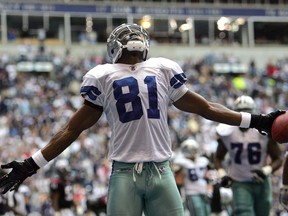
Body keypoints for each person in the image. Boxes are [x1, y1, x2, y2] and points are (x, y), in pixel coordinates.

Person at [0, 23, 284, 216]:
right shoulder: (127, 73)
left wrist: (257, 120)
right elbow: (72, 128)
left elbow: (206, 107)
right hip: (141, 172)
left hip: (145, 171)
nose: (130, 39)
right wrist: (29, 165)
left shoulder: (133, 72)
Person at [214, 95, 283, 216]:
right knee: (244, 212)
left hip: (261, 181)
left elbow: (278, 158)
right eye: (241, 113)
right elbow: (218, 158)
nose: (244, 117)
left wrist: (265, 170)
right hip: (239, 181)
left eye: (248, 113)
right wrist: (223, 174)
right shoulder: (227, 132)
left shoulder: (263, 132)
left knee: (263, 213)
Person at [173, 138, 211, 216]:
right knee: (198, 212)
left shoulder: (202, 161)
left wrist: (209, 189)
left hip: (204, 192)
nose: (192, 153)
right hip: (191, 193)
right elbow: (178, 181)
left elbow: (208, 177)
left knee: (207, 211)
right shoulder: (181, 162)